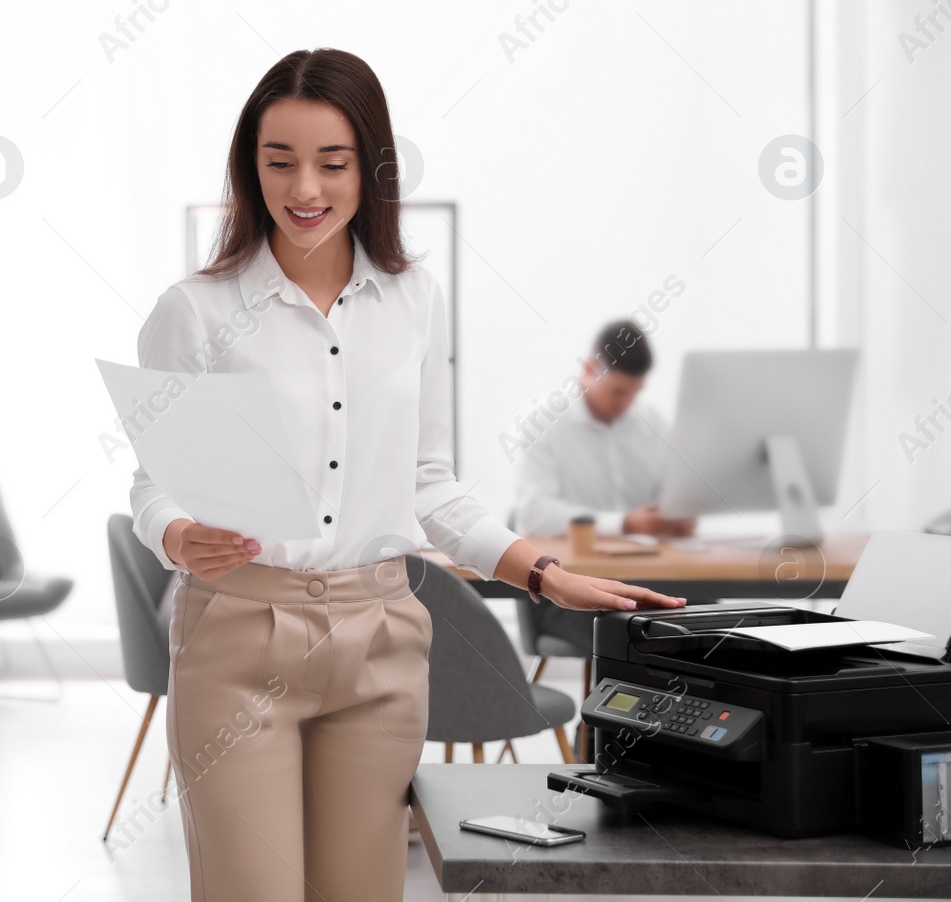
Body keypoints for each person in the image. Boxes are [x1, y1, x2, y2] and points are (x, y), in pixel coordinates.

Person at [128, 49, 684, 902]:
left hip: (381, 637)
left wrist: (545, 574)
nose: (304, 186)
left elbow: (430, 483)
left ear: (370, 169)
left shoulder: (415, 297)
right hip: (239, 637)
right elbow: (155, 482)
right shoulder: (195, 311)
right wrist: (175, 531)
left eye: (332, 162)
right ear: (251, 168)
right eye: (279, 162)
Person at [512, 319, 696, 540]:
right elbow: (535, 515)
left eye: (635, 392)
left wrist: (678, 516)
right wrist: (624, 524)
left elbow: (672, 495)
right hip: (566, 567)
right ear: (589, 369)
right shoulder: (542, 422)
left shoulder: (654, 423)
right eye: (617, 391)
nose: (626, 403)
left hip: (646, 565)